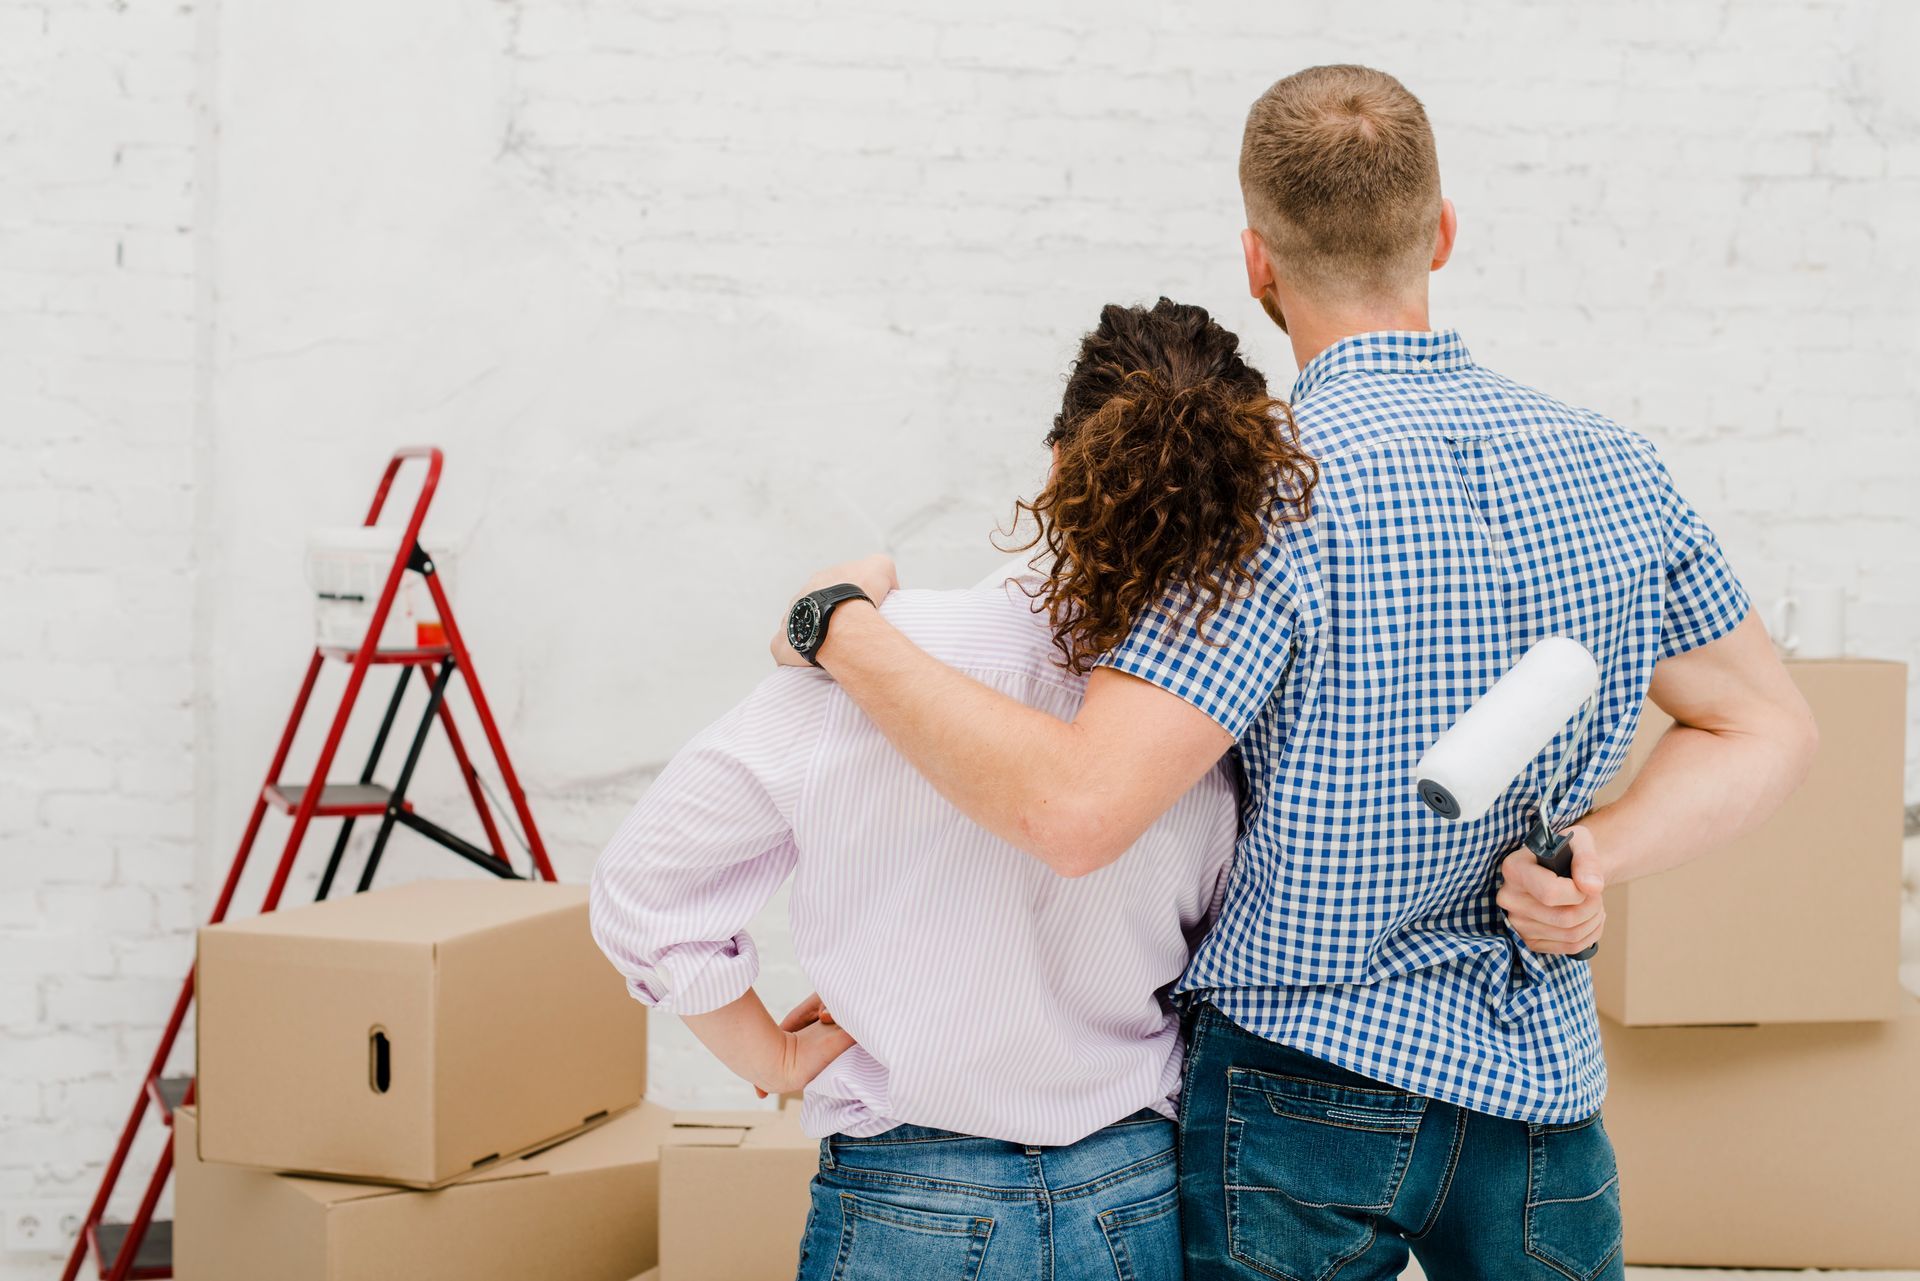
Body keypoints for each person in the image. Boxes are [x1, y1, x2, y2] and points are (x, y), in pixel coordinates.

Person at [769, 66, 1820, 1280]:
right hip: (1536, 1082)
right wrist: (1599, 853)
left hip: (1303, 1085)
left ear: (1257, 260)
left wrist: (841, 627)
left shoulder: (1262, 494)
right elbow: (1767, 728)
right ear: (1442, 231)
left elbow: (1076, 810)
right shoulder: (1616, 468)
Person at [591, 299, 1318, 1281]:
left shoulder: (875, 657)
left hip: (910, 1194)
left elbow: (647, 889)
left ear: (1057, 466)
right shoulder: (1214, 724)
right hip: (1130, 1193)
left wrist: (770, 1056)